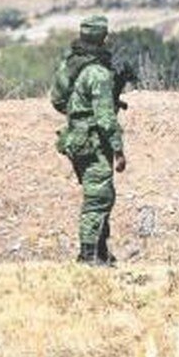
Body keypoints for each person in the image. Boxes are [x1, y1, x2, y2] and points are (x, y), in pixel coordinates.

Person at [51, 15, 127, 266]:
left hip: (76, 138)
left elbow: (58, 100)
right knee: (98, 198)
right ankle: (88, 256)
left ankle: (101, 252)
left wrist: (79, 116)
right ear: (102, 38)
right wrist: (117, 148)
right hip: (94, 143)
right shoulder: (98, 73)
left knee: (101, 195)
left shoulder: (72, 63)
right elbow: (105, 118)